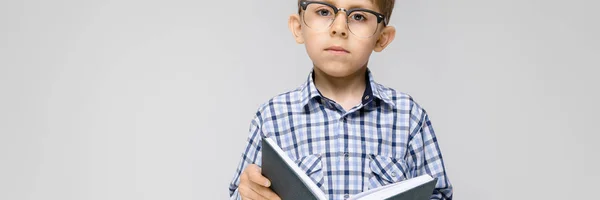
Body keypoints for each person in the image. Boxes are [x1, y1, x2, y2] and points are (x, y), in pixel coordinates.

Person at [228, 0, 453, 199]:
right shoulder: (272, 118)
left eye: (358, 16)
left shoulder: (409, 117)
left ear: (382, 39)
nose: (339, 28)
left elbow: (438, 194)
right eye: (324, 11)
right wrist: (247, 193)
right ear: (298, 28)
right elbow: (242, 192)